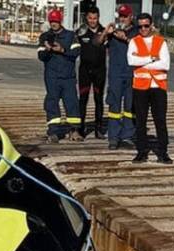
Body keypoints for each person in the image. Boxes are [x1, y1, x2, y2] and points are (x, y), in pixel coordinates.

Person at [128, 13, 172, 164]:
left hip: (158, 86)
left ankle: (163, 152)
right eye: (140, 26)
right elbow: (131, 61)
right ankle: (142, 152)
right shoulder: (133, 42)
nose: (143, 29)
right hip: (140, 87)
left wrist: (143, 63)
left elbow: (165, 64)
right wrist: (152, 59)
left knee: (160, 120)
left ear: (151, 25)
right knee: (140, 121)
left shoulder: (161, 42)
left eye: (146, 25)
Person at [38, 10, 82, 143]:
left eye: (56, 21)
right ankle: (53, 132)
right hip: (52, 77)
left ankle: (74, 130)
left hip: (68, 77)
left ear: (60, 21)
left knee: (72, 103)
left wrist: (62, 50)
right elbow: (40, 56)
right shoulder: (45, 37)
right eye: (52, 21)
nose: (54, 24)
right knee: (52, 103)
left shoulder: (70, 35)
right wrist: (47, 49)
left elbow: (76, 52)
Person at [97, 4, 137, 150]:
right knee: (114, 106)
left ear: (131, 17)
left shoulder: (137, 32)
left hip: (132, 74)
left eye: (125, 16)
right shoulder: (112, 33)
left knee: (130, 107)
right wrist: (105, 32)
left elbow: (142, 48)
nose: (123, 18)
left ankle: (127, 136)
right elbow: (97, 43)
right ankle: (113, 138)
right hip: (116, 75)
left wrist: (125, 38)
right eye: (121, 16)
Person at [76, 6, 107, 139]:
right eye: (90, 18)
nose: (93, 21)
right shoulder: (80, 31)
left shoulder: (105, 32)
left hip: (99, 71)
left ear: (98, 18)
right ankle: (80, 128)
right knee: (82, 99)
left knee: (98, 99)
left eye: (95, 18)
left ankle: (98, 128)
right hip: (84, 71)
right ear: (86, 18)